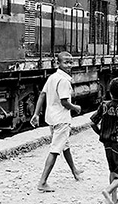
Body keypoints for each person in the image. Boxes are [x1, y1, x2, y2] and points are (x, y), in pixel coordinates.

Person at [30, 52, 83, 192]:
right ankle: (42, 182)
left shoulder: (53, 77)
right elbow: (64, 102)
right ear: (58, 63)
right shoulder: (64, 81)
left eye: (71, 62)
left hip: (52, 119)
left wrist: (36, 114)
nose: (69, 65)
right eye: (66, 62)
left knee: (65, 145)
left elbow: (42, 95)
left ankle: (74, 171)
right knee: (55, 150)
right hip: (61, 119)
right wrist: (76, 108)